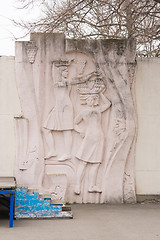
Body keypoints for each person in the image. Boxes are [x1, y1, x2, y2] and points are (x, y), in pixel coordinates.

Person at [74, 91, 111, 194]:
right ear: (86, 101)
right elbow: (74, 123)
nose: (90, 101)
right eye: (88, 99)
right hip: (89, 138)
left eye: (92, 99)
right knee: (83, 162)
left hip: (99, 137)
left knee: (96, 163)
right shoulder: (83, 112)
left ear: (94, 101)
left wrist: (101, 93)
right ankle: (77, 186)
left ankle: (91, 186)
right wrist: (80, 131)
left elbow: (108, 104)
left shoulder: (98, 110)